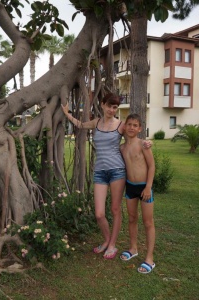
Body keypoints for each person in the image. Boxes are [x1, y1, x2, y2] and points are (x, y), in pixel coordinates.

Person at [61, 94, 151, 259]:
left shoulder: (121, 125)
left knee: (115, 209)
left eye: (115, 107)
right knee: (99, 213)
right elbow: (80, 125)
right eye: (109, 106)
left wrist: (147, 142)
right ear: (102, 105)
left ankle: (112, 244)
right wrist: (67, 114)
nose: (111, 110)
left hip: (117, 170)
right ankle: (107, 239)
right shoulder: (96, 123)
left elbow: (134, 135)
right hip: (100, 172)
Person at [119, 113, 156, 274]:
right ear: (124, 126)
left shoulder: (143, 145)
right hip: (130, 187)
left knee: (148, 222)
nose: (132, 128)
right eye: (129, 124)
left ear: (140, 128)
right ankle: (133, 248)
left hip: (144, 188)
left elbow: (152, 166)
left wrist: (148, 187)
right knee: (132, 219)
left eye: (135, 125)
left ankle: (149, 257)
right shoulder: (122, 147)